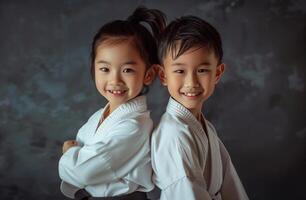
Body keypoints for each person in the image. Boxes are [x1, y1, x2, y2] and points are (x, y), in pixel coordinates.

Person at [58, 7, 166, 200]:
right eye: (105, 69)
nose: (115, 80)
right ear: (94, 69)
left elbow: (82, 172)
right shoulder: (100, 116)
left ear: (148, 74)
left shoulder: (133, 127)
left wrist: (71, 152)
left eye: (127, 70)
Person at [151, 16, 249, 200]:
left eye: (202, 70)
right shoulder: (174, 135)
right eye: (180, 71)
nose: (191, 82)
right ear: (163, 75)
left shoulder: (206, 127)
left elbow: (229, 182)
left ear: (217, 73)